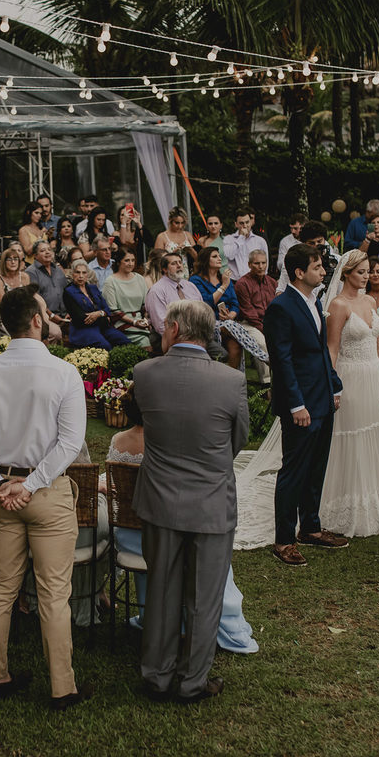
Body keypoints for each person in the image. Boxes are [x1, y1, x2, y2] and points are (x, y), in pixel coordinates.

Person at [0, 286, 89, 711]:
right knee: (53, 594)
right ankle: (62, 688)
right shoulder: (64, 373)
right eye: (46, 311)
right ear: (36, 320)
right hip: (45, 492)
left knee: (0, 588)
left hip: (4, 494)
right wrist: (28, 486)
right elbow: (71, 444)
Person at [130, 299, 250, 703]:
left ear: (175, 330)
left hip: (160, 500)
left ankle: (157, 676)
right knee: (204, 596)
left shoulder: (144, 374)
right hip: (212, 501)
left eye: (164, 327)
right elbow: (239, 439)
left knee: (162, 588)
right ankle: (192, 680)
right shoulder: (231, 381)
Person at [105, 385, 258, 652]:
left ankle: (151, 616)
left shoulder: (118, 441)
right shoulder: (166, 443)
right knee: (209, 549)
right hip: (163, 537)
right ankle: (202, 621)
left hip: (129, 539)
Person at [315, 251, 379, 536]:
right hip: (350, 374)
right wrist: (333, 383)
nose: (367, 276)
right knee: (351, 433)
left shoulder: (370, 301)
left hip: (372, 372)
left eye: (368, 271)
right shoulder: (338, 305)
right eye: (361, 272)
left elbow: (376, 344)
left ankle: (377, 497)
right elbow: (331, 348)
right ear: (346, 273)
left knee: (372, 431)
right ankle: (345, 500)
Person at [263, 243, 346, 567]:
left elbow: (321, 351)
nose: (323, 271)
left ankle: (310, 528)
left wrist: (334, 386)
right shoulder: (281, 307)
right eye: (316, 267)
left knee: (316, 467)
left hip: (322, 396)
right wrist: (296, 405)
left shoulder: (315, 301)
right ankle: (284, 539)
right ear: (299, 272)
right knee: (294, 470)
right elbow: (281, 360)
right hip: (300, 403)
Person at [145, 252, 224, 360]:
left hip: (196, 335)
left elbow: (202, 312)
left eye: (180, 262)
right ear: (164, 269)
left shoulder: (190, 286)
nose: (179, 266)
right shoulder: (157, 291)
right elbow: (161, 325)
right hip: (169, 337)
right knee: (199, 357)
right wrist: (186, 340)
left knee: (222, 355)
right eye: (174, 263)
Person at [190, 247, 254, 370]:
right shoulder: (196, 280)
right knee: (228, 327)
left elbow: (235, 303)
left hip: (227, 322)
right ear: (205, 260)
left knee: (235, 346)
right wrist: (224, 286)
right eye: (214, 256)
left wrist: (232, 315)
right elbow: (206, 303)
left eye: (219, 256)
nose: (219, 258)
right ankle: (255, 348)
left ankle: (232, 380)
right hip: (208, 322)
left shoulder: (224, 278)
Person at [0, 246, 61, 343]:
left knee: (55, 332)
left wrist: (49, 315)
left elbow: (32, 299)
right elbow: (3, 302)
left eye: (15, 259)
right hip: (8, 315)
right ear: (4, 262)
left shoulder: (25, 276)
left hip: (28, 314)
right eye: (9, 259)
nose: (13, 262)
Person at [62, 262, 130, 350]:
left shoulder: (93, 288)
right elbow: (81, 318)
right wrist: (104, 317)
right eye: (77, 272)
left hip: (102, 327)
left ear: (88, 275)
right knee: (105, 346)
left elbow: (106, 308)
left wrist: (99, 313)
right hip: (83, 330)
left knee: (124, 342)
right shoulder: (68, 292)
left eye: (84, 273)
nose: (81, 276)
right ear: (72, 274)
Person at [232, 250, 275, 383]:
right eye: (257, 263)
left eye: (264, 263)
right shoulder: (242, 284)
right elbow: (248, 312)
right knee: (263, 343)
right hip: (248, 323)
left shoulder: (272, 282)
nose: (261, 266)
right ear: (249, 264)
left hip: (269, 322)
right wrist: (266, 329)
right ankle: (267, 384)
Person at [101, 246, 151, 348]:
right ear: (119, 262)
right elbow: (113, 310)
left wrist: (145, 320)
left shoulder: (140, 278)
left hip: (141, 322)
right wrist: (134, 322)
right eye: (127, 260)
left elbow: (146, 305)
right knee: (145, 341)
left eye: (133, 260)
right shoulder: (110, 281)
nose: (131, 263)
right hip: (121, 323)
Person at [25, 241, 70, 325]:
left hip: (66, 316)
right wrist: (51, 315)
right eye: (42, 250)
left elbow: (67, 292)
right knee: (56, 334)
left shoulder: (58, 269)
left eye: (49, 249)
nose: (47, 252)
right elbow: (35, 299)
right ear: (35, 255)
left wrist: (69, 312)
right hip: (44, 317)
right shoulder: (31, 272)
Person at [223, 209, 268, 281]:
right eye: (241, 223)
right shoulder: (228, 239)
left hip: (255, 281)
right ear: (236, 224)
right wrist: (241, 237)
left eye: (247, 222)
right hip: (235, 281)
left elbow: (266, 264)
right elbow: (229, 255)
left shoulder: (260, 241)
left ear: (251, 222)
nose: (245, 226)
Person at [153, 207, 197, 277]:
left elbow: (198, 259)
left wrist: (190, 250)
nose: (180, 226)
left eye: (182, 223)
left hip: (186, 273)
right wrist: (173, 252)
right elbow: (156, 260)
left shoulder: (187, 235)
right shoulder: (162, 236)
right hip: (169, 274)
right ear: (170, 220)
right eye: (176, 223)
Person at [275, 214, 306, 283]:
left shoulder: (311, 240)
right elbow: (280, 263)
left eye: (295, 228)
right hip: (289, 278)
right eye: (291, 228)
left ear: (303, 227)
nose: (293, 231)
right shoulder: (285, 241)